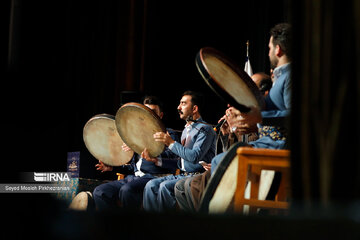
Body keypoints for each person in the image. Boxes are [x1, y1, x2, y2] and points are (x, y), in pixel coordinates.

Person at [175, 23, 292, 212]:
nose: (268, 52)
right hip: (267, 145)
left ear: (278, 49)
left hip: (276, 149)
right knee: (213, 167)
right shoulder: (282, 77)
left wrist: (258, 117)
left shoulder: (290, 77)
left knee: (219, 163)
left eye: (269, 48)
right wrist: (251, 124)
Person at [92, 96, 180, 211]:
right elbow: (134, 168)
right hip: (134, 178)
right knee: (100, 192)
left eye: (153, 112)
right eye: (146, 112)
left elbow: (175, 161)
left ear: (161, 116)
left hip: (154, 178)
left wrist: (141, 147)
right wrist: (112, 168)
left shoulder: (168, 134)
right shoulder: (134, 135)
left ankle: (132, 227)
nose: (148, 115)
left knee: (127, 190)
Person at [142, 90, 216, 212]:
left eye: (183, 103)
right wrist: (157, 160)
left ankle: (167, 226)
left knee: (164, 187)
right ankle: (151, 225)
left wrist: (170, 143)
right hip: (183, 175)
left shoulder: (205, 129)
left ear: (194, 108)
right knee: (151, 185)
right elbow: (181, 162)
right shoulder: (187, 130)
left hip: (198, 176)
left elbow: (194, 157)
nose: (178, 107)